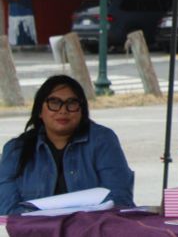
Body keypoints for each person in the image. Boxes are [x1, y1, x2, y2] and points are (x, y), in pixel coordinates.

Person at [0, 75, 135, 215]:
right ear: (40, 110)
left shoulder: (102, 140)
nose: (63, 110)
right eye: (54, 102)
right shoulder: (15, 150)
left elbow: (119, 199)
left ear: (82, 110)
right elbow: (7, 209)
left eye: (71, 103)